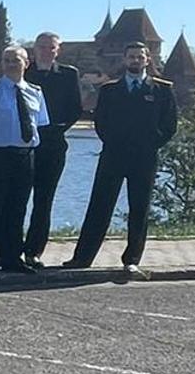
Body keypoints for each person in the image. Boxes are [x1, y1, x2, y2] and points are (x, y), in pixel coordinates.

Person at [67, 43, 178, 273]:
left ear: (147, 60)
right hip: (113, 156)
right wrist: (113, 142)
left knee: (139, 208)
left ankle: (132, 259)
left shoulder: (161, 90)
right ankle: (83, 258)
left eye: (140, 57)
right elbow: (101, 122)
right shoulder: (110, 90)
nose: (135, 60)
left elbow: (169, 125)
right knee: (99, 206)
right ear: (124, 60)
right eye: (131, 57)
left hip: (144, 158)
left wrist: (151, 143)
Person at [0, 46, 51, 274]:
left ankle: (11, 257)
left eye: (15, 60)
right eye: (6, 60)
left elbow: (40, 125)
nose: (11, 64)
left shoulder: (35, 92)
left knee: (17, 208)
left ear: (27, 63)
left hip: (25, 156)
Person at [25, 32, 83, 267]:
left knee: (43, 200)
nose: (46, 51)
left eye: (51, 47)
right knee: (16, 198)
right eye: (42, 47)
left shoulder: (69, 75)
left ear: (58, 50)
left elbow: (75, 109)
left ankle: (33, 251)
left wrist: (56, 129)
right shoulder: (24, 72)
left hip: (53, 145)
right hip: (25, 145)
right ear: (35, 49)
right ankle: (6, 249)